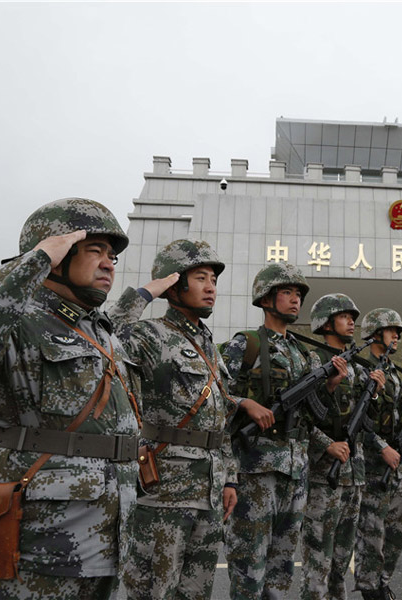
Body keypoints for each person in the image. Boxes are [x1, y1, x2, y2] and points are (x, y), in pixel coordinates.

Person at [0, 198, 139, 598]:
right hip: (37, 538)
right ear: (58, 255)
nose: (109, 263)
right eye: (95, 251)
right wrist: (34, 261)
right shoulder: (18, 319)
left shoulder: (99, 332)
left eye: (112, 256)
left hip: (104, 533)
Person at [112, 239, 271, 599]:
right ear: (175, 283)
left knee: (196, 592)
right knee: (156, 590)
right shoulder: (151, 335)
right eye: (201, 277)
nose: (211, 286)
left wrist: (229, 479)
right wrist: (146, 292)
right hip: (165, 492)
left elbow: (221, 419)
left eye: (213, 279)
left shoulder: (208, 345)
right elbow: (110, 334)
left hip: (209, 490)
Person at [221, 263, 346, 599]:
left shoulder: (301, 353)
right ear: (265, 298)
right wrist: (245, 403)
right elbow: (215, 394)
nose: (295, 300)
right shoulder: (244, 345)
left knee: (282, 565)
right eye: (287, 292)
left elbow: (308, 415)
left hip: (295, 471)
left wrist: (330, 386)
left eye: (299, 294)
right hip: (256, 471)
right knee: (249, 563)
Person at [300, 293, 383, 600]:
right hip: (324, 474)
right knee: (317, 556)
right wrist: (326, 445)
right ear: (326, 322)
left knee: (340, 558)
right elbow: (301, 417)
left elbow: (369, 423)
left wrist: (375, 395)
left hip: (353, 473)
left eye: (352, 316)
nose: (352, 322)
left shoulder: (359, 368)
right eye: (345, 316)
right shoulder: (312, 360)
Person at [353, 308, 402, 600]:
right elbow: (357, 419)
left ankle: (383, 580)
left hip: (396, 460)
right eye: (392, 331)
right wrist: (379, 446)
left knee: (395, 532)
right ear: (375, 333)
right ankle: (370, 587)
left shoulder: (393, 372)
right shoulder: (362, 368)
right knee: (371, 530)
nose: (397, 336)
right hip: (374, 462)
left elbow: (394, 415)